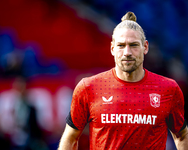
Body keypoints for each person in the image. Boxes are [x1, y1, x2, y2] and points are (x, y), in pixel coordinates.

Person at [58, 12, 188, 150]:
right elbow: (71, 137)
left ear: (145, 47)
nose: (127, 52)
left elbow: (182, 135)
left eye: (133, 45)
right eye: (121, 45)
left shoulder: (168, 89)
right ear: (112, 48)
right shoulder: (88, 87)